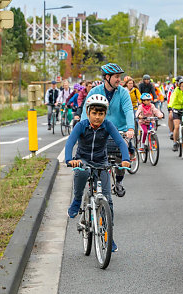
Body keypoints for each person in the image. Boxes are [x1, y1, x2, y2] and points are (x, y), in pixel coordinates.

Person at [65, 94, 131, 252]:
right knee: (81, 172)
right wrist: (69, 159)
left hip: (102, 162)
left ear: (105, 114)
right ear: (88, 113)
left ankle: (109, 236)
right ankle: (77, 199)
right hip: (83, 160)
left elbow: (121, 142)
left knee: (107, 200)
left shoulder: (108, 125)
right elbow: (70, 142)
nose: (97, 117)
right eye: (94, 113)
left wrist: (126, 158)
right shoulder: (81, 126)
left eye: (101, 114)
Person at [81, 63, 135, 197]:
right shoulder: (94, 91)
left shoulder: (123, 93)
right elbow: (85, 111)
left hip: (119, 130)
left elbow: (128, 110)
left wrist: (130, 128)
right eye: (116, 77)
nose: (119, 80)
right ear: (107, 77)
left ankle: (119, 181)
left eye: (119, 77)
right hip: (98, 130)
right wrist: (83, 128)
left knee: (121, 153)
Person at [168, 78, 183, 151]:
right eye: (182, 86)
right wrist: (170, 107)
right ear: (179, 86)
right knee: (176, 127)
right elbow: (172, 98)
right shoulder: (176, 91)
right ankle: (175, 142)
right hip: (177, 109)